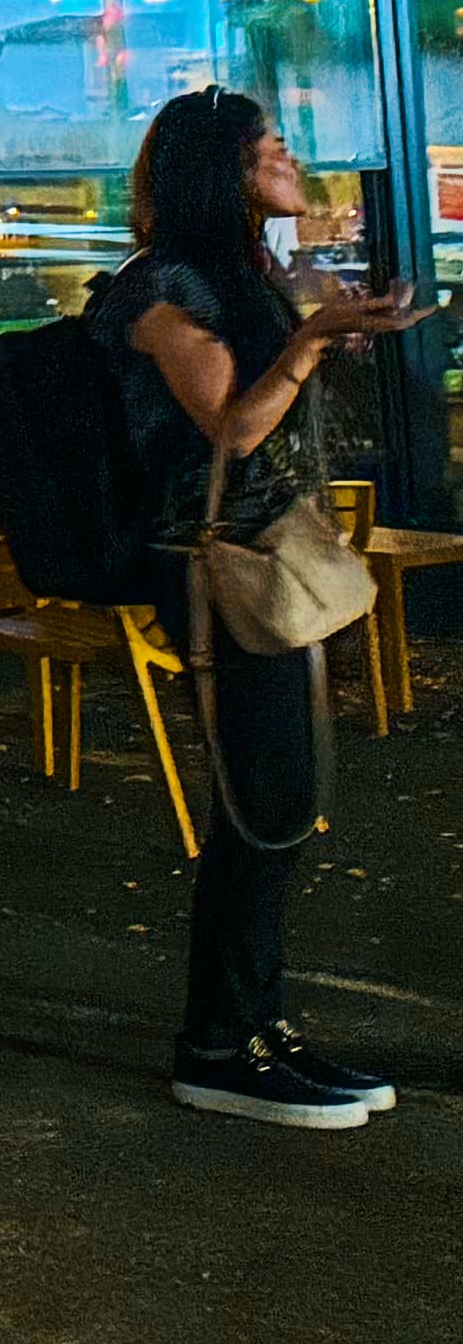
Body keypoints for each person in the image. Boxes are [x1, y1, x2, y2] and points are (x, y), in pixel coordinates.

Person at [106, 88, 420, 1123]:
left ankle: (253, 1023)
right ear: (227, 170)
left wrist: (322, 321)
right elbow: (232, 430)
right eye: (271, 147)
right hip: (211, 564)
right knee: (262, 804)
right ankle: (216, 1044)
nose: (290, 158)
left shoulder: (243, 272)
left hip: (258, 548)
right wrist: (310, 336)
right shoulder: (160, 291)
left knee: (280, 803)